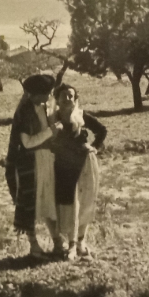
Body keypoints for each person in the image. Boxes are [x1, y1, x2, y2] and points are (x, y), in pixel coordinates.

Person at [49, 83, 106, 258]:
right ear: (57, 99)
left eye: (71, 96)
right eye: (63, 96)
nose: (67, 99)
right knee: (68, 204)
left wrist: (94, 147)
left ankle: (80, 242)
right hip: (63, 165)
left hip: (83, 163)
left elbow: (102, 131)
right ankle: (69, 244)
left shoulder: (81, 116)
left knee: (84, 202)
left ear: (75, 99)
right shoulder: (52, 118)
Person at [5, 73, 60, 257]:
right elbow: (27, 143)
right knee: (31, 203)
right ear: (37, 94)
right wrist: (51, 132)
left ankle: (58, 242)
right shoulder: (25, 112)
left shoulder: (44, 107)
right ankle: (34, 246)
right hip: (30, 163)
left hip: (45, 160)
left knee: (48, 201)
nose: (49, 95)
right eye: (47, 93)